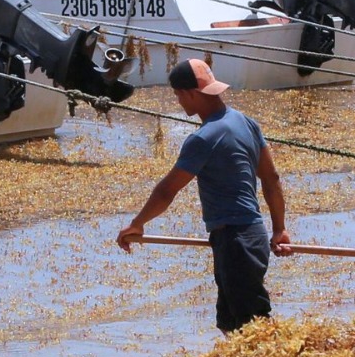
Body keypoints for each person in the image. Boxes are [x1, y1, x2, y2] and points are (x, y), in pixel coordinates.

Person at [116, 58, 292, 333]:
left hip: (236, 242)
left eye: (177, 95)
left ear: (190, 94)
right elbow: (271, 179)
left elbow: (168, 189)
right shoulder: (246, 123)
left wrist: (138, 223)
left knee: (254, 327)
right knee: (229, 324)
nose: (178, 102)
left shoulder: (203, 138)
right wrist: (279, 229)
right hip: (248, 236)